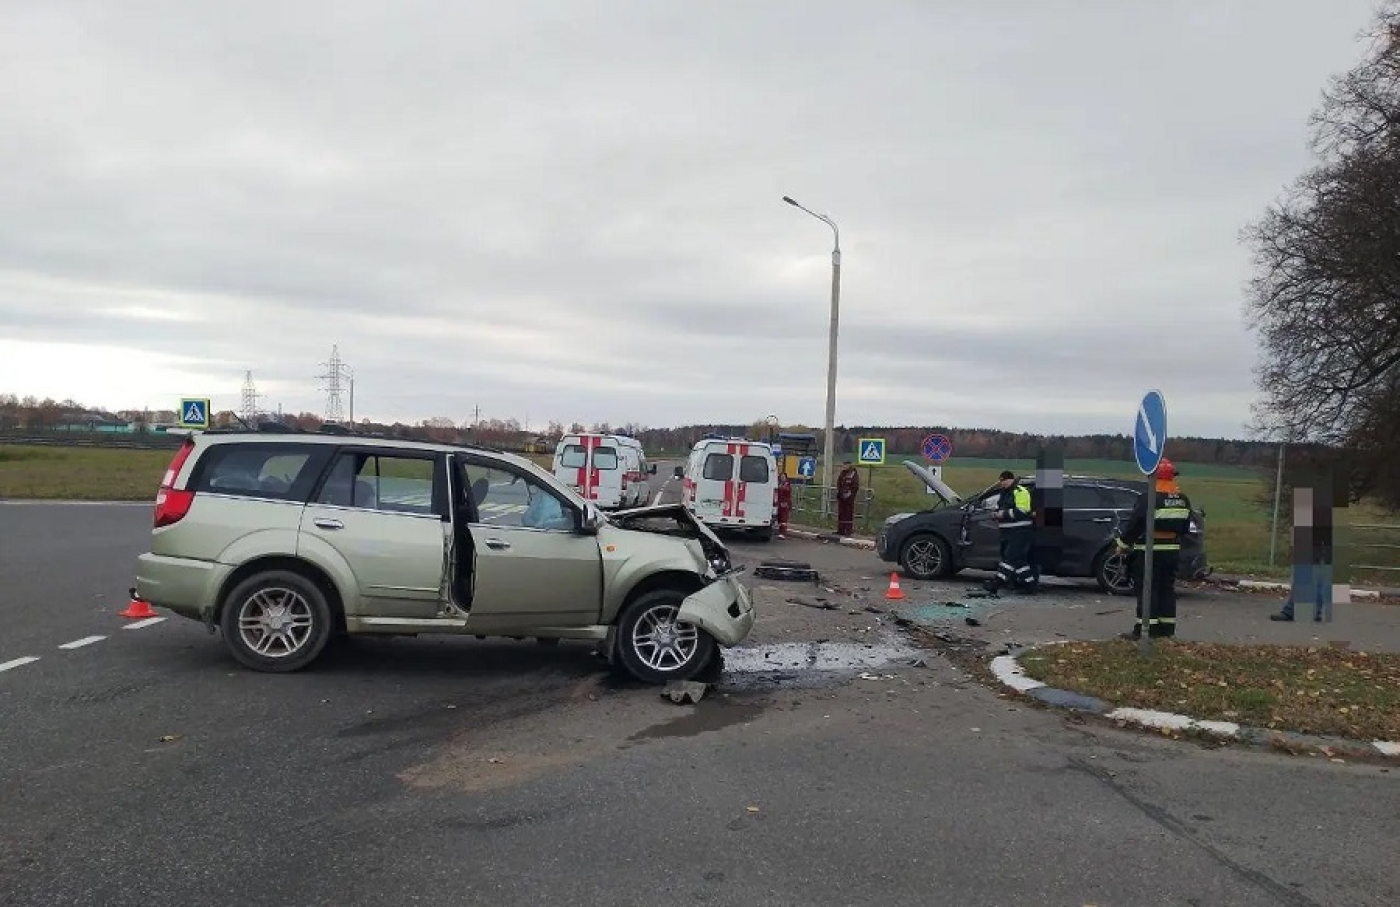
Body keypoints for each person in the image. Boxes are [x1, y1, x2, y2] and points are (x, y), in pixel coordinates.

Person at [1115, 458, 1193, 639]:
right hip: (1172, 551)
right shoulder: (1183, 499)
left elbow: (1135, 524)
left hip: (1149, 551)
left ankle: (1145, 630)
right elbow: (1185, 528)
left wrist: (1123, 544)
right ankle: (1167, 630)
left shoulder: (1149, 498)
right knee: (1167, 589)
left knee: (1147, 589)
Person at [983, 470, 1036, 594]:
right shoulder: (1004, 492)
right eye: (1001, 481)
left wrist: (1002, 514)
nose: (1003, 483)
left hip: (1020, 531)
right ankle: (1030, 585)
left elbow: (1022, 511)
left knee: (1009, 558)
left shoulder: (1020, 491)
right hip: (1007, 532)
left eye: (1005, 481)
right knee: (1019, 561)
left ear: (1011, 479)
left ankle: (996, 584)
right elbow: (1001, 507)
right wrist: (995, 514)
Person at [835, 459, 859, 536]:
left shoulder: (853, 473)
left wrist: (850, 495)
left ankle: (848, 531)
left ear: (849, 465)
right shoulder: (842, 473)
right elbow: (839, 483)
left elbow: (855, 486)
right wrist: (839, 492)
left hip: (849, 498)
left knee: (848, 514)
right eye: (843, 464)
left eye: (846, 464)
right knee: (841, 513)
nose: (844, 466)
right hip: (841, 496)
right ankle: (840, 530)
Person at [775, 472, 792, 538]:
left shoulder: (787, 485)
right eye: (781, 477)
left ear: (786, 478)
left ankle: (783, 533)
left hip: (785, 504)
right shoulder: (779, 484)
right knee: (779, 519)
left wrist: (786, 503)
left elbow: (787, 493)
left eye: (783, 477)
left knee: (784, 519)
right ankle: (780, 532)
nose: (782, 478)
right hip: (779, 503)